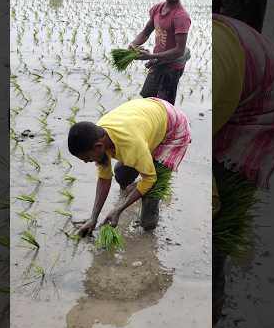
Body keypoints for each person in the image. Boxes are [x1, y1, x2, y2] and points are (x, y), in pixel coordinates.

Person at [212, 13, 274, 324]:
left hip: (267, 100)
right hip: (239, 75)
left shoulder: (211, 84)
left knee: (219, 218)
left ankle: (212, 308)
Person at [67, 97, 191, 237]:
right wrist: (93, 218)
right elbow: (104, 178)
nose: (86, 162)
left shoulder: (131, 144)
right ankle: (133, 187)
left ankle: (148, 231)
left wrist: (119, 209)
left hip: (173, 129)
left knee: (148, 217)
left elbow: (150, 179)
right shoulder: (98, 135)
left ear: (99, 146)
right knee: (121, 172)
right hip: (148, 117)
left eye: (87, 158)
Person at [130, 0, 192, 105]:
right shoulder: (157, 9)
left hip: (172, 67)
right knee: (147, 98)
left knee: (164, 106)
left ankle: (168, 124)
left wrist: (151, 56)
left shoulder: (181, 17)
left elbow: (179, 51)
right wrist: (133, 44)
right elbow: (145, 32)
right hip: (158, 61)